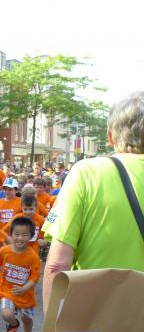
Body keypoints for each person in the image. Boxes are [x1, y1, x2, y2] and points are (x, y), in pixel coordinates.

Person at [43, 92, 144, 315]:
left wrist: (53, 328)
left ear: (110, 136)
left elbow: (57, 265)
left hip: (96, 317)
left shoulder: (87, 172)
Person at [0, 216, 40, 332]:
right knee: (7, 314)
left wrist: (24, 288)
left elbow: (35, 278)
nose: (20, 238)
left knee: (27, 319)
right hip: (7, 290)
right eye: (17, 234)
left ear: (31, 236)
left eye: (24, 235)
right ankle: (13, 324)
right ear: (11, 234)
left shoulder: (33, 256)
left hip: (26, 294)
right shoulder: (4, 251)